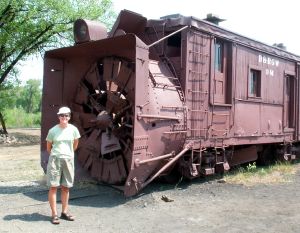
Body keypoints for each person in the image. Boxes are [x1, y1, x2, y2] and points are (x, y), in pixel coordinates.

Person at [46, 106, 81, 224]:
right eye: (62, 115)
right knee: (53, 186)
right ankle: (54, 214)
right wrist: (58, 155)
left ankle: (64, 212)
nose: (64, 117)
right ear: (58, 117)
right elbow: (48, 147)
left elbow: (75, 144)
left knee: (66, 187)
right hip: (55, 159)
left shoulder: (74, 130)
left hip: (68, 160)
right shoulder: (52, 131)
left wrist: (69, 154)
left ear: (69, 117)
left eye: (66, 115)